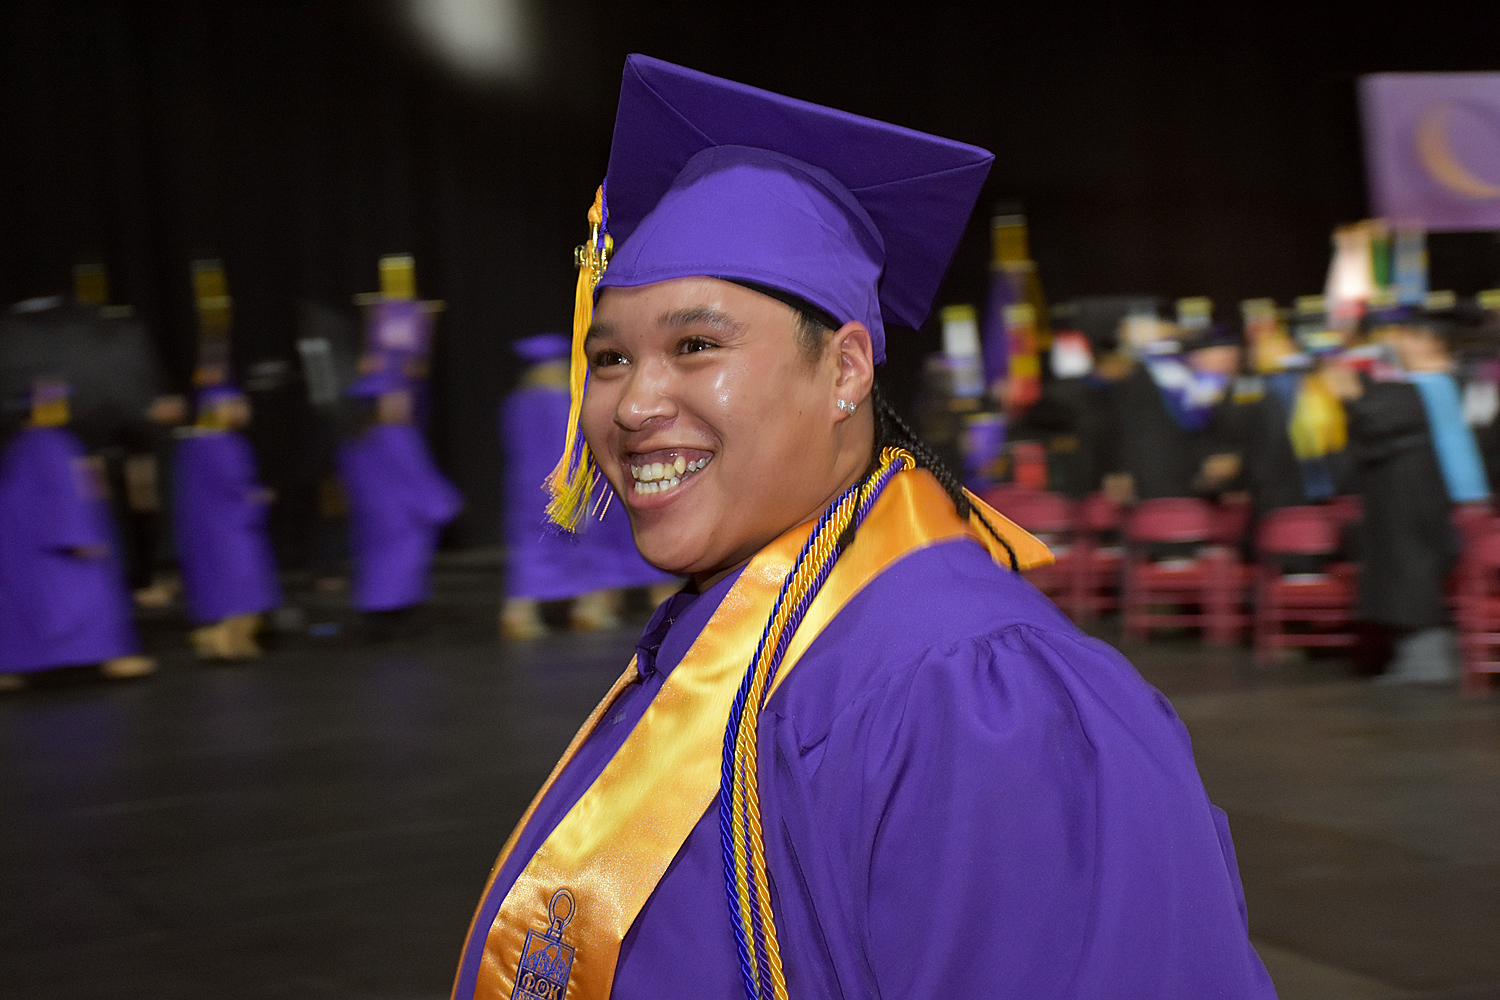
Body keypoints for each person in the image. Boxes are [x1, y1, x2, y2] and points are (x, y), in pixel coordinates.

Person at [453, 56, 1275, 999]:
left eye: (695, 346)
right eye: (608, 358)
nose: (635, 402)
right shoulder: (735, 631)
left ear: (846, 370)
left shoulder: (976, 696)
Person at [1327, 307, 1489, 683]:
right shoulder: (1448, 382)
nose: (1398, 342)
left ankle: (1427, 660)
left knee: (1414, 571)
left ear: (1432, 343)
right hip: (1430, 493)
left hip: (1430, 495)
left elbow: (1388, 420)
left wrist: (1352, 394)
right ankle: (1415, 656)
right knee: (1409, 571)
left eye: (1408, 335)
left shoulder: (1430, 385)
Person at [500, 334, 677, 640]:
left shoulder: (516, 403)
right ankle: (590, 609)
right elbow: (566, 446)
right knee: (585, 549)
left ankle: (519, 612)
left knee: (534, 551)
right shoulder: (559, 402)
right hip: (564, 485)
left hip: (526, 489)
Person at [0, 381, 155, 689]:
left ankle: (11, 666)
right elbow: (66, 494)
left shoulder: (20, 447)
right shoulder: (56, 445)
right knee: (88, 598)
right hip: (58, 547)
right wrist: (79, 537)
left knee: (23, 604)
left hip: (23, 547)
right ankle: (110, 656)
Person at [337, 367, 463, 631]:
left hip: (372, 521)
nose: (407, 403)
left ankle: (377, 619)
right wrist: (445, 505)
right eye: (399, 398)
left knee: (377, 573)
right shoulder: (398, 436)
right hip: (403, 520)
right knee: (401, 574)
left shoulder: (354, 440)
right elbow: (417, 475)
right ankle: (396, 623)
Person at [171, 383, 281, 659]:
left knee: (222, 585)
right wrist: (258, 498)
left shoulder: (194, 444)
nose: (246, 411)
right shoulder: (226, 445)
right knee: (243, 585)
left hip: (205, 529)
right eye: (239, 406)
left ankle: (216, 637)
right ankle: (222, 639)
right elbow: (236, 488)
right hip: (231, 528)